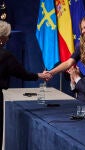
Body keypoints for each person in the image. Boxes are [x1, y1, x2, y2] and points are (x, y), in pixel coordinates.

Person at [0, 20, 50, 149]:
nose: (9, 39)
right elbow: (22, 73)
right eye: (9, 36)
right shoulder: (5, 56)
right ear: (2, 38)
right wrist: (39, 75)